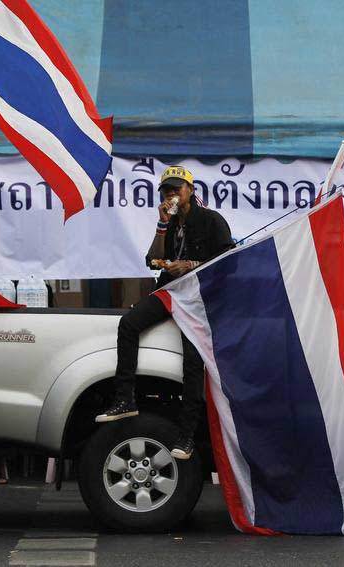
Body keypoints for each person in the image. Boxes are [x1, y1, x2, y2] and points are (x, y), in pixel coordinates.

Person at [95, 166, 233, 460]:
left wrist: (191, 265)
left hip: (198, 298)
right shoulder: (169, 224)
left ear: (191, 191)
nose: (172, 194)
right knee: (129, 324)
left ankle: (186, 436)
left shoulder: (211, 220)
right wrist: (161, 227)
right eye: (167, 190)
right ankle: (125, 399)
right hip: (171, 291)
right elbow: (152, 260)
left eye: (177, 189)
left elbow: (228, 263)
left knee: (193, 364)